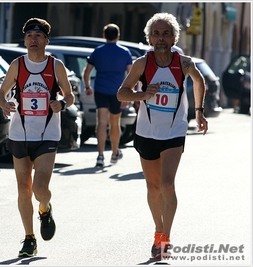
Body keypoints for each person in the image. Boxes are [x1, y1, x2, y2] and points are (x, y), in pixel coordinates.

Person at [117, 13, 208, 259]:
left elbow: (199, 82)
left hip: (174, 131)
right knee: (153, 186)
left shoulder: (185, 63)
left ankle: (165, 238)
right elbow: (122, 94)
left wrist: (199, 112)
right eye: (156, 34)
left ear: (174, 37)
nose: (161, 38)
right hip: (146, 132)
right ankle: (157, 230)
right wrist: (142, 95)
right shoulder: (142, 64)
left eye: (166, 33)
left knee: (167, 184)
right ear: (149, 38)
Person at [0, 17, 75, 258]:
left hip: (47, 133)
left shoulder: (55, 66)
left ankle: (45, 208)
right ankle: (29, 239)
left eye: (38, 36)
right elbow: (0, 93)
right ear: (25, 40)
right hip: (19, 132)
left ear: (46, 41)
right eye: (29, 36)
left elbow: (69, 96)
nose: (33, 40)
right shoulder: (17, 65)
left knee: (40, 189)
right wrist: (4, 104)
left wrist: (61, 103)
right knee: (22, 188)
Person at [82, 23, 133, 167]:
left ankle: (100, 156)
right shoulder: (125, 52)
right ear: (118, 36)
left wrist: (87, 87)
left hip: (101, 90)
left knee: (102, 122)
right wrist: (129, 93)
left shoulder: (98, 51)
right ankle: (115, 152)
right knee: (115, 122)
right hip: (118, 92)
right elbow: (131, 74)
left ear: (104, 36)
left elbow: (87, 72)